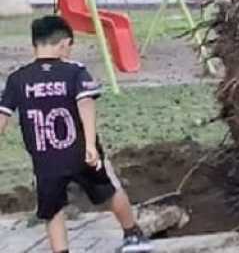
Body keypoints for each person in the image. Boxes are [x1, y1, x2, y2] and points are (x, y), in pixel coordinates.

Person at [0, 16, 153, 253]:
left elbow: (3, 115)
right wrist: (91, 144)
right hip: (80, 151)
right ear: (64, 44)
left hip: (45, 159)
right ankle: (133, 233)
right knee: (109, 191)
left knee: (52, 209)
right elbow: (86, 105)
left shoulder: (17, 79)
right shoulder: (75, 72)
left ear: (35, 45)